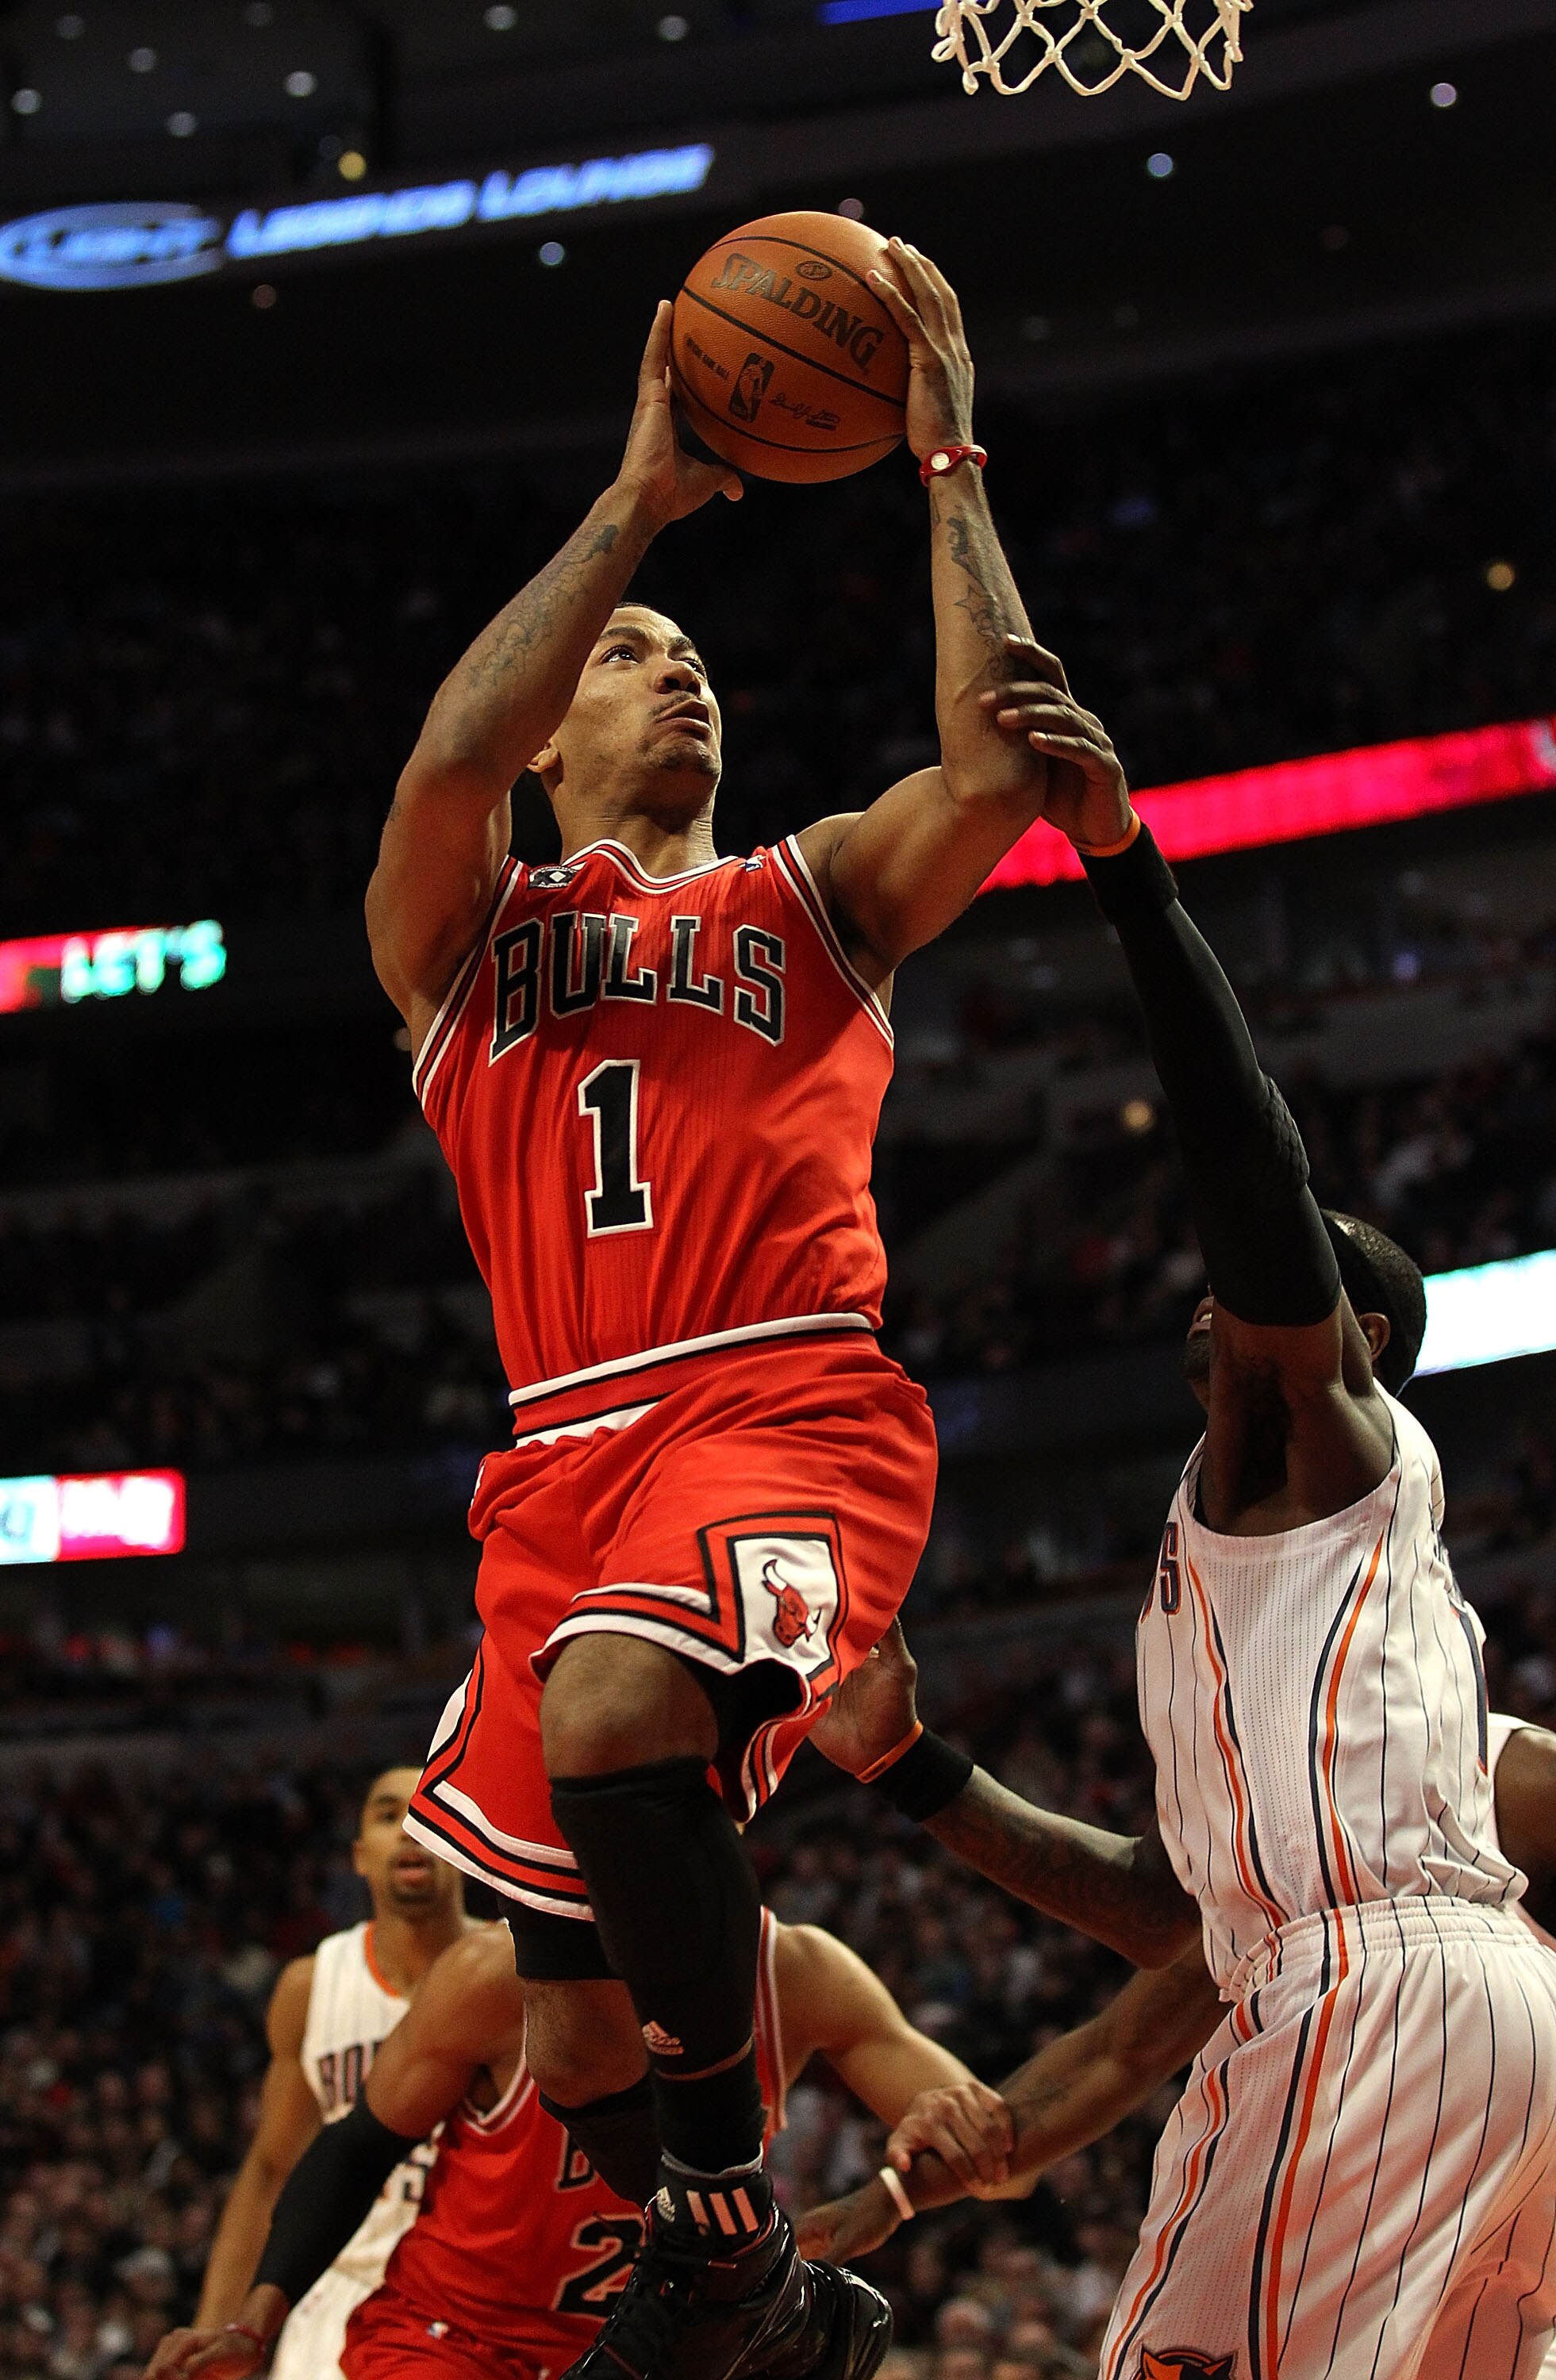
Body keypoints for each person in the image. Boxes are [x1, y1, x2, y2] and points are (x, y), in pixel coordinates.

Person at [364, 234, 1056, 2380]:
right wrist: (637, 508)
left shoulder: (812, 890)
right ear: (553, 721)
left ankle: (736, 2250)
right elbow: (440, 763)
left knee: (608, 1719)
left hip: (778, 1408)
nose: (684, 678)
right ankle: (754, 2268)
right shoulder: (463, 937)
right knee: (571, 2028)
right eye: (632, 657)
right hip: (560, 1455)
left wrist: (946, 457)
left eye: (695, 661)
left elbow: (998, 770)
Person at [805, 645, 1556, 2375]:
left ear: (1352, 1340)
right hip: (1431, 2025)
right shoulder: (1324, 1661)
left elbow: (1243, 1152)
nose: (1217, 1289)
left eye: (1270, 1281)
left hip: (1381, 2012)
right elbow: (1176, 1921)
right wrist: (910, 1768)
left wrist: (1124, 867)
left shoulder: (1327, 1446)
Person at [799, 1713, 1556, 2273]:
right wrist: (894, 2195)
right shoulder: (1281, 1833)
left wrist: (900, 1756)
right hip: (1381, 2223)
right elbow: (1120, 2052)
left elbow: (1143, 1920)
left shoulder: (1514, 1780)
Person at [143, 1909, 1018, 2378]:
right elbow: (356, 2146)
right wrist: (254, 2320)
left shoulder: (793, 1973)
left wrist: (909, 2173)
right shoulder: (494, 1975)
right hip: (452, 2340)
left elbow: (1003, 2163)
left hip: (652, 2353)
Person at [191, 1768, 472, 2380]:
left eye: (430, 1813)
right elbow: (271, 2169)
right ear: (359, 1858)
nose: (410, 1830)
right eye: (389, 1815)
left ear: (468, 1841)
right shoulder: (314, 1985)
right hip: (340, 2295)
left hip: (476, 2296)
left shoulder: (518, 1972)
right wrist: (215, 2329)